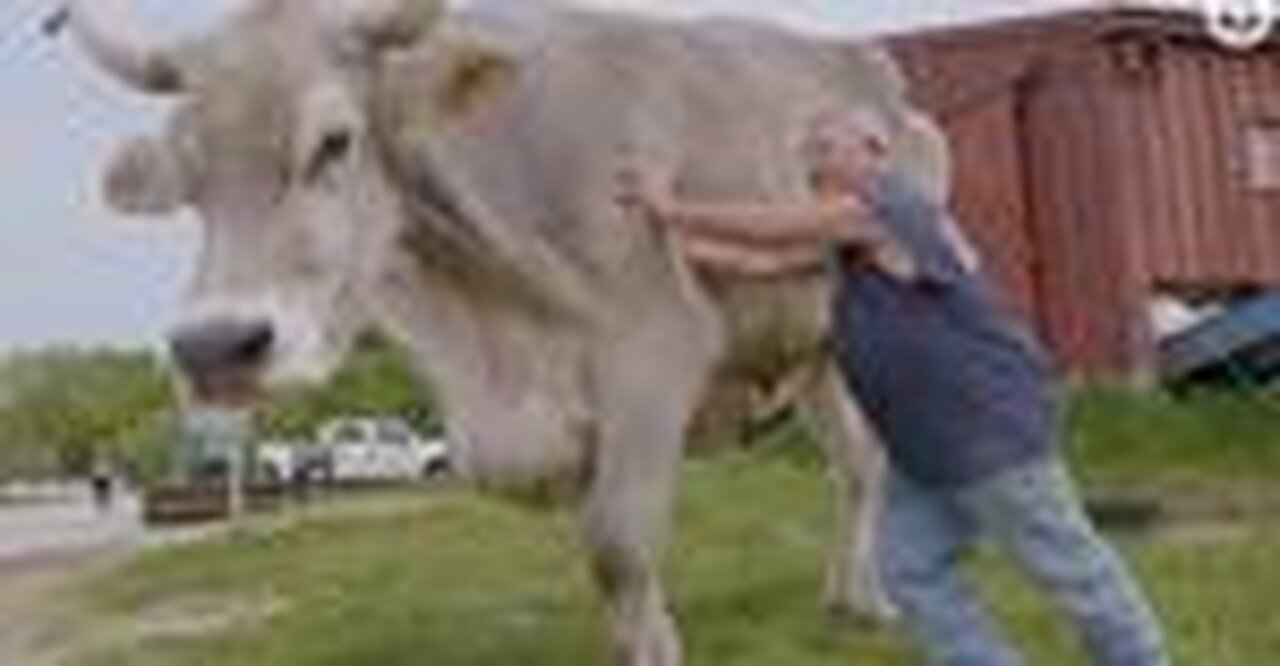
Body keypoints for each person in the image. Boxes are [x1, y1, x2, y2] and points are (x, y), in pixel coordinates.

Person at [617, 107, 1167, 666]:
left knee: (1067, 564)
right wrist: (658, 248)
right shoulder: (850, 237)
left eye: (825, 149)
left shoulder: (890, 205)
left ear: (875, 150)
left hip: (984, 425)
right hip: (923, 442)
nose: (811, 164)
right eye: (807, 154)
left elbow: (776, 227)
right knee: (912, 568)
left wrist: (671, 208)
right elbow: (762, 261)